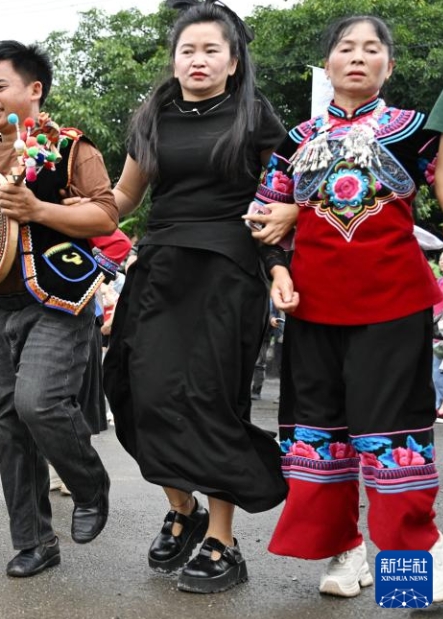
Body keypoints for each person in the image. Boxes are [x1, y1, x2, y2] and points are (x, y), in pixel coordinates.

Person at [250, 15, 442, 600]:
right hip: (311, 311)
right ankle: (345, 551)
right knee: (323, 436)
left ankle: (411, 578)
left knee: (393, 438)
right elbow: (263, 219)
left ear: (389, 65)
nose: (358, 56)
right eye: (345, 47)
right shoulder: (294, 141)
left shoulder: (415, 131)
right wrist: (279, 270)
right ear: (328, 63)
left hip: (394, 307)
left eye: (373, 48)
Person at [102, 1, 289, 594]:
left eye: (212, 50)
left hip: (228, 271)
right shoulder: (153, 114)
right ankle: (184, 508)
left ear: (233, 61)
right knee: (136, 391)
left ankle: (223, 544)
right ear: (174, 60)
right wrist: (43, 210)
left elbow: (284, 198)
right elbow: (122, 199)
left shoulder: (256, 116)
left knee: (212, 402)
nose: (199, 59)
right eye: (188, 50)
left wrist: (280, 267)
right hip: (160, 266)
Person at [0, 40, 115, 577]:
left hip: (59, 299)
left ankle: (89, 484)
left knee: (37, 403)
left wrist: (39, 209)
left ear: (34, 90)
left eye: (1, 87)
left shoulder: (69, 147)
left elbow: (106, 217)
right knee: (9, 421)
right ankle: (34, 541)